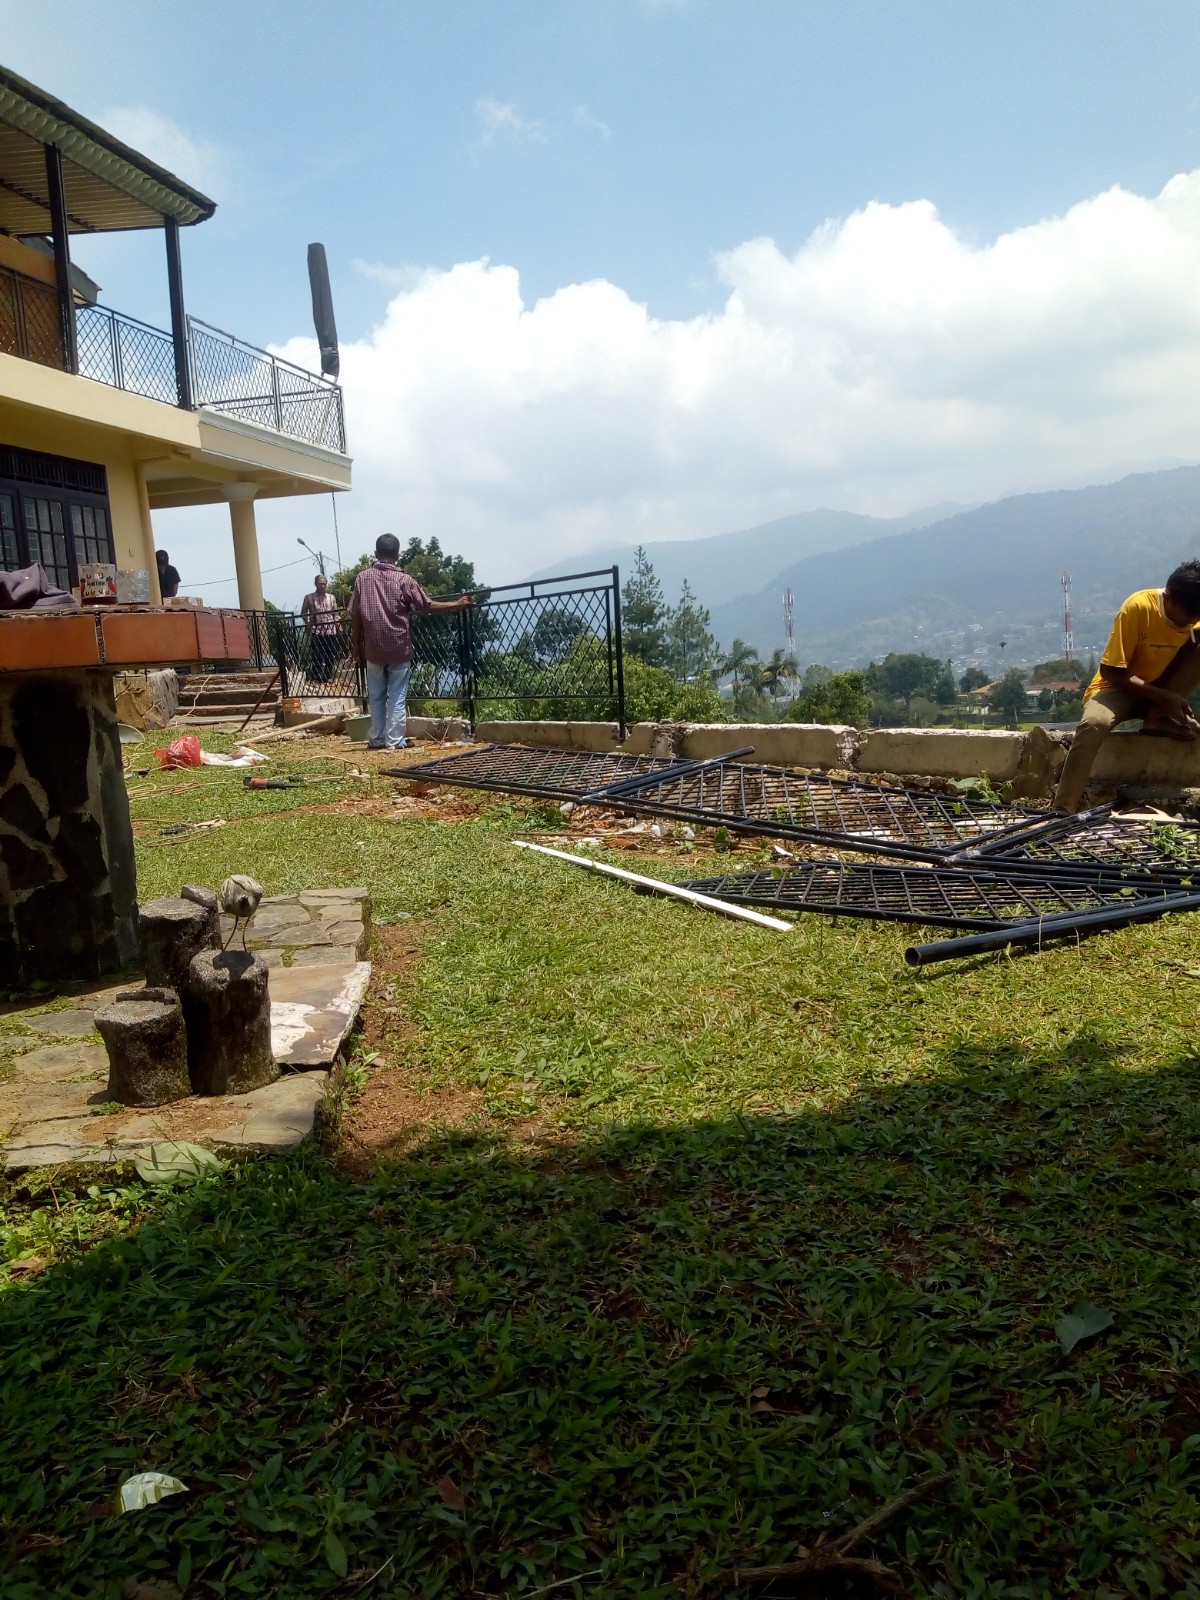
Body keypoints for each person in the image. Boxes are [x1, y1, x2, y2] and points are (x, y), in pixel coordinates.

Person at [1053, 560, 1200, 812]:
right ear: (1169, 598)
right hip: (1117, 687)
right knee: (1093, 725)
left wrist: (1168, 698)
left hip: (1158, 691)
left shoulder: (1193, 618)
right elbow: (1111, 671)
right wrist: (1165, 697)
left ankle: (1157, 719)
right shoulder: (1138, 608)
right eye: (1186, 617)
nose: (1189, 623)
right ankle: (1063, 808)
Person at [349, 533, 472, 750]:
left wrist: (356, 645)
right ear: (397, 555)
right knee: (397, 695)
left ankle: (377, 739)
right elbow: (427, 605)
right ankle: (395, 741)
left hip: (373, 647)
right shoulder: (404, 580)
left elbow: (356, 615)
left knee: (376, 695)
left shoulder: (362, 578)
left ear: (376, 553)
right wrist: (457, 603)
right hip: (399, 646)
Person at [301, 572, 341, 683]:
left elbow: (335, 613)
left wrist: (338, 624)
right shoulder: (309, 597)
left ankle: (328, 676)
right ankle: (316, 677)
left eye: (324, 584)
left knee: (330, 654)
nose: (322, 586)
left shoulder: (331, 597)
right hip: (316, 630)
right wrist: (308, 623)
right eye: (320, 584)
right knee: (317, 654)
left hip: (330, 629)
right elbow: (303, 613)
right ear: (316, 584)